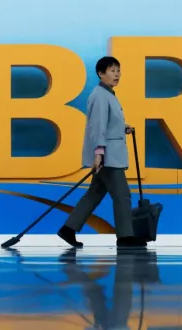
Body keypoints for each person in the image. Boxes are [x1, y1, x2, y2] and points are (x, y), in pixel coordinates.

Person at [58, 56, 146, 249]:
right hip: (107, 157)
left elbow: (108, 122)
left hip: (108, 154)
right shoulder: (100, 95)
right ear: (101, 73)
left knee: (94, 194)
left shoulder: (107, 94)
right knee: (122, 195)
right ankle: (125, 237)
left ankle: (68, 229)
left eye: (118, 70)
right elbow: (97, 127)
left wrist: (122, 127)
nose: (117, 74)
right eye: (112, 70)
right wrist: (99, 153)